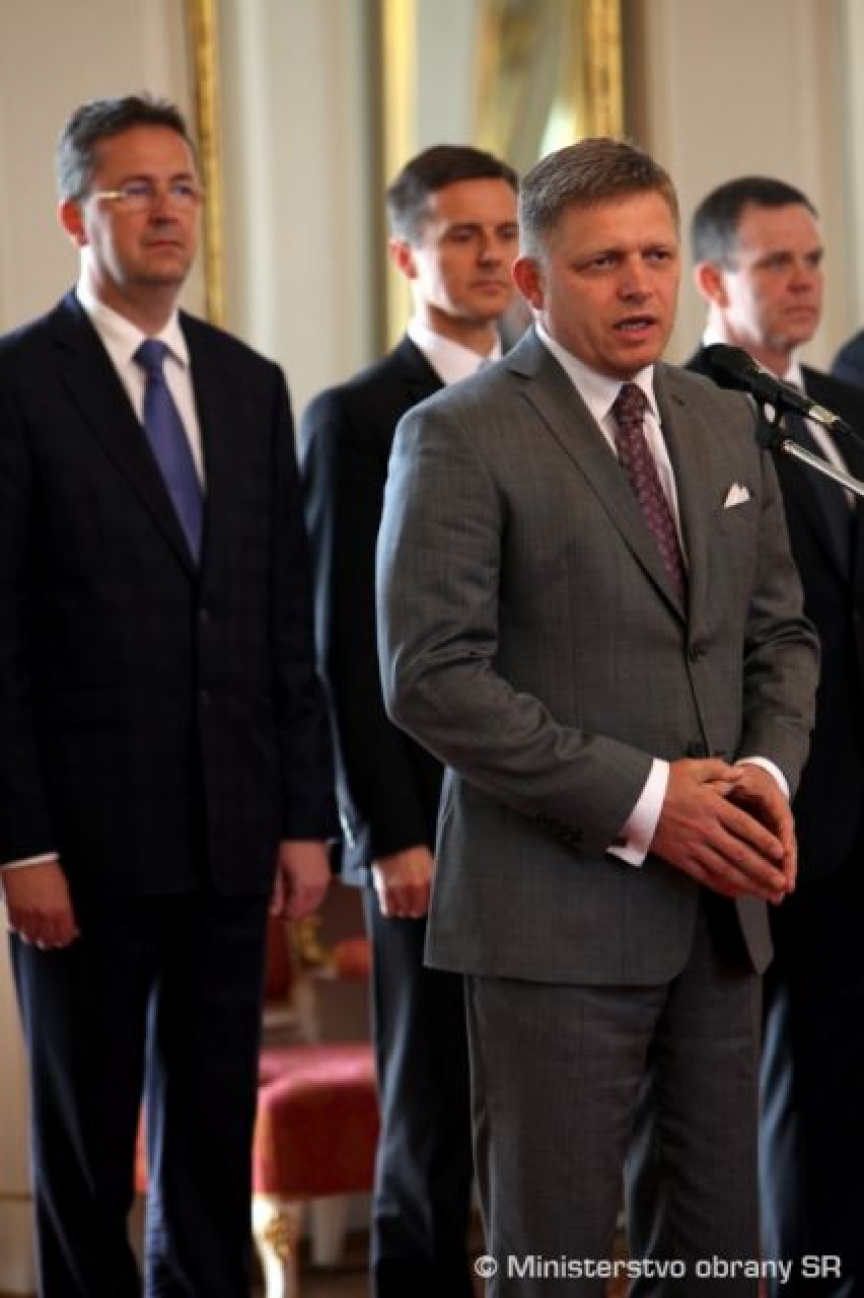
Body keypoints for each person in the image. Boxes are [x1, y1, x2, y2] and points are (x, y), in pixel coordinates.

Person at [375, 137, 819, 1297]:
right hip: (549, 921)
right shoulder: (457, 431)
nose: (638, 286)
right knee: (556, 1261)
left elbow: (781, 635)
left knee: (720, 1262)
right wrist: (650, 799)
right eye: (601, 262)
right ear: (532, 281)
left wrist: (765, 777)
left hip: (720, 912)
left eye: (657, 256)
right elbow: (431, 676)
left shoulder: (722, 419)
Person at [0, 94, 337, 1298]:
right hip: (79, 849)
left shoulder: (249, 384)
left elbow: (281, 621)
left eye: (182, 186)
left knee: (208, 1133)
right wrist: (21, 843)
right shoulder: (18, 381)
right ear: (73, 216)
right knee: (88, 1148)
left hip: (230, 834)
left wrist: (303, 816)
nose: (165, 210)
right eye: (133, 189)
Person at [301, 144, 518, 1298]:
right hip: (423, 827)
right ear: (406, 255)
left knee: (536, 1116)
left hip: (549, 816)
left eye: (506, 233)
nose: (490, 256)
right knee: (430, 1113)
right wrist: (386, 830)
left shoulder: (548, 399)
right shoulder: (353, 417)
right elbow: (342, 637)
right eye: (461, 234)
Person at [689, 175, 864, 1296]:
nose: (803, 282)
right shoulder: (694, 408)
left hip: (860, 794)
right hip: (779, 793)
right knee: (795, 1074)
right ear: (714, 279)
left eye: (814, 260)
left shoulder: (842, 408)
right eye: (775, 264)